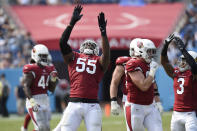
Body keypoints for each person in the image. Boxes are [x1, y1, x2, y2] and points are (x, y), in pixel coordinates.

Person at [53, 4, 110, 131]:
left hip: (92, 105)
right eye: (87, 45)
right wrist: (72, 23)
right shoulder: (74, 57)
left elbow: (106, 55)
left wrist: (103, 33)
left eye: (91, 45)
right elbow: (62, 42)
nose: (89, 47)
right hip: (74, 103)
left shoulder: (99, 61)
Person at [110, 38, 163, 130]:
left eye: (152, 51)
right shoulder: (129, 63)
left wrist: (157, 102)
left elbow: (153, 84)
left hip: (150, 103)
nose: (151, 54)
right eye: (149, 51)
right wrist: (113, 100)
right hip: (134, 102)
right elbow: (114, 82)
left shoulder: (149, 64)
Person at [161, 34, 197, 131]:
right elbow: (164, 62)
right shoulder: (176, 73)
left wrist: (182, 49)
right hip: (176, 114)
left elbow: (194, 67)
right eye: (181, 60)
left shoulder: (193, 75)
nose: (181, 62)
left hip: (190, 114)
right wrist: (165, 47)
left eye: (184, 60)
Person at [22, 44, 58, 131]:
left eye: (45, 56)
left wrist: (53, 79)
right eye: (42, 56)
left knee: (46, 128)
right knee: (40, 127)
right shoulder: (31, 69)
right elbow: (26, 87)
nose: (44, 58)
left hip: (45, 100)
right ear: (35, 56)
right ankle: (24, 128)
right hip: (34, 99)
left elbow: (51, 89)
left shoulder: (49, 69)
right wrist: (32, 102)